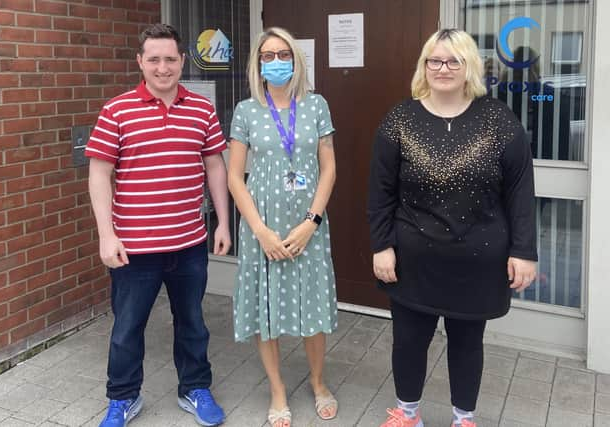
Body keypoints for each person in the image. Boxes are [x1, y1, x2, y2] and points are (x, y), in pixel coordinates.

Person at [367, 29, 537, 427]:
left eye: (453, 61)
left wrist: (524, 250)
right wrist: (381, 245)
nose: (443, 69)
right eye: (434, 61)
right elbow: (380, 192)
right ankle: (407, 414)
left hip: (477, 261)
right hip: (412, 260)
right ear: (424, 66)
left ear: (469, 67)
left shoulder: (498, 119)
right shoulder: (399, 120)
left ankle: (464, 418)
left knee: (466, 343)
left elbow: (520, 191)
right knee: (408, 342)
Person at [86, 23, 231, 427]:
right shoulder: (116, 110)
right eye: (154, 59)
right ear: (141, 62)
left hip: (188, 243)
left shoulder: (201, 109)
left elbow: (214, 164)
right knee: (127, 329)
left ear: (182, 60)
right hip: (134, 248)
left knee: (193, 323)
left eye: (170, 59)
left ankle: (195, 388)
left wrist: (222, 222)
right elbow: (99, 174)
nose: (163, 67)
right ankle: (123, 397)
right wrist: (106, 235)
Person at [227, 27, 338, 427]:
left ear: (296, 59)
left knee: (313, 304)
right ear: (258, 63)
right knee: (265, 309)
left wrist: (312, 221)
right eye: (268, 56)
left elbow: (328, 168)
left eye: (283, 54)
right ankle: (277, 389)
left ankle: (318, 382)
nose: (276, 62)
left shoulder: (316, 105)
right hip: (263, 229)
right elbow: (235, 177)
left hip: (308, 225)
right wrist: (259, 229)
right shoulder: (246, 110)